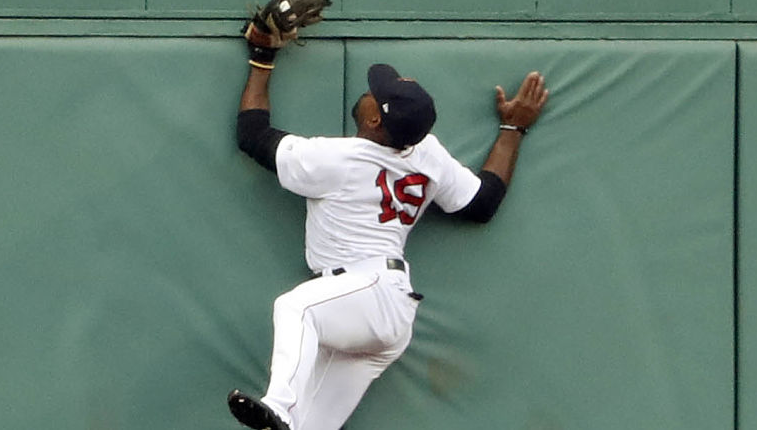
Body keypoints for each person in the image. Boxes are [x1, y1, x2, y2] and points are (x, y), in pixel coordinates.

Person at [227, 33, 549, 430]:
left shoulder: (337, 159)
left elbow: (252, 134)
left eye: (373, 94)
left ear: (375, 119)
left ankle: (277, 403)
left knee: (296, 308)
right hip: (380, 315)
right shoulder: (427, 152)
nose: (368, 92)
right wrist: (512, 129)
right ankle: (286, 420)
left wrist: (263, 56)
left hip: (368, 289)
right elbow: (482, 202)